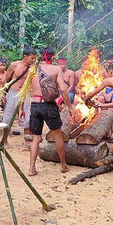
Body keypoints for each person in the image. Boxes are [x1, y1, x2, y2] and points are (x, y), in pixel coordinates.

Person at [25, 47, 73, 176]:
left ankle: (31, 168)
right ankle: (63, 165)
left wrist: (21, 109)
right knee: (57, 135)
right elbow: (63, 89)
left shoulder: (33, 70)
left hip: (35, 105)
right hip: (49, 105)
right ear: (52, 58)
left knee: (36, 138)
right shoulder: (56, 69)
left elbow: (26, 90)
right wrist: (69, 106)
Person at [3, 47, 37, 147]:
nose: (33, 60)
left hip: (25, 94)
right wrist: (4, 95)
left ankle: (27, 141)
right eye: (32, 58)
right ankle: (4, 141)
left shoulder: (33, 69)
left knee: (26, 117)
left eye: (34, 58)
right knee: (7, 117)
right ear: (25, 57)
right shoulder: (14, 65)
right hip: (13, 93)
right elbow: (7, 80)